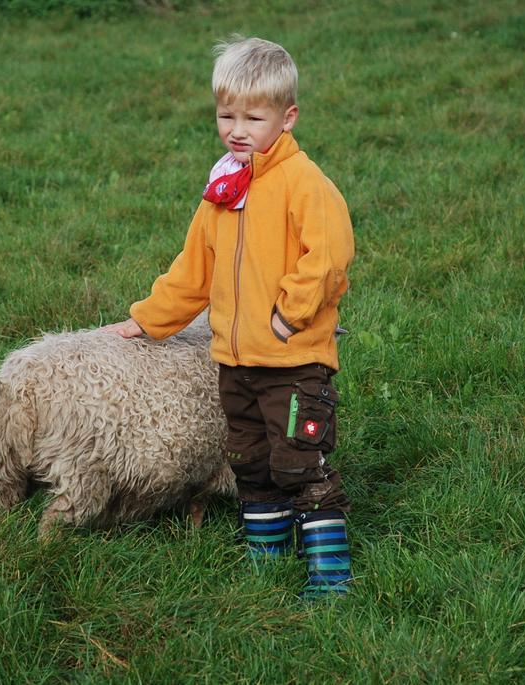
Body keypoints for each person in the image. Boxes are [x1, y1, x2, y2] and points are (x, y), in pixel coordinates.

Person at [101, 36, 355, 599]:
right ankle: (265, 558)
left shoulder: (303, 183)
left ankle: (329, 571)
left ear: (287, 118)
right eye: (226, 115)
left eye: (253, 117)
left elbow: (330, 255)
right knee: (249, 461)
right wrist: (147, 320)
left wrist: (291, 315)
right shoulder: (223, 189)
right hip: (236, 363)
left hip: (294, 361)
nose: (237, 129)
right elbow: (193, 270)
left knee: (299, 462)